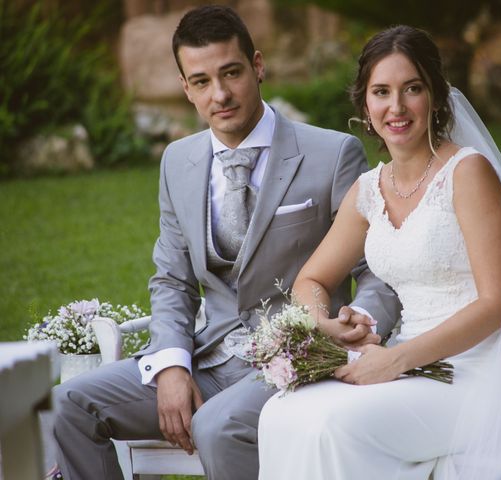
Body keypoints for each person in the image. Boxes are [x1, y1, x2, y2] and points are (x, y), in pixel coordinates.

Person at [51, 5, 400, 480]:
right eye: (200, 81)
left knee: (217, 427)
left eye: (231, 73)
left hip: (296, 360)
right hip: (206, 358)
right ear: (185, 88)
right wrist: (171, 365)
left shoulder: (332, 154)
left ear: (257, 66)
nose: (220, 95)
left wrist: (361, 327)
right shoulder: (178, 161)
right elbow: (172, 278)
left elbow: (376, 271)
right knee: (70, 404)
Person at [258, 25, 501, 480]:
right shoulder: (370, 189)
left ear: (435, 97)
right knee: (279, 414)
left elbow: (496, 303)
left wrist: (398, 359)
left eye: (412, 89)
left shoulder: (468, 173)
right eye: (381, 92)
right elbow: (310, 281)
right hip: (405, 364)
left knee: (331, 426)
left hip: (473, 376)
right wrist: (327, 325)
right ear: (365, 105)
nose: (397, 107)